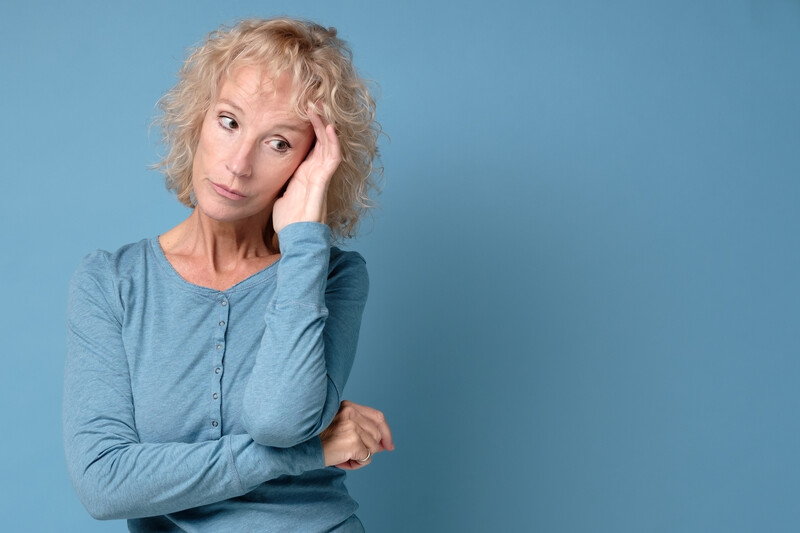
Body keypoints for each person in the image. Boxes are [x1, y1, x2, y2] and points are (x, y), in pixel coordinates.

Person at [63, 17, 393, 532]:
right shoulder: (112, 281)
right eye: (230, 121)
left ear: (312, 163)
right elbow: (104, 484)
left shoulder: (331, 276)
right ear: (198, 118)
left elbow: (277, 421)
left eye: (278, 143)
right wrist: (313, 452)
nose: (239, 164)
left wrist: (305, 240)